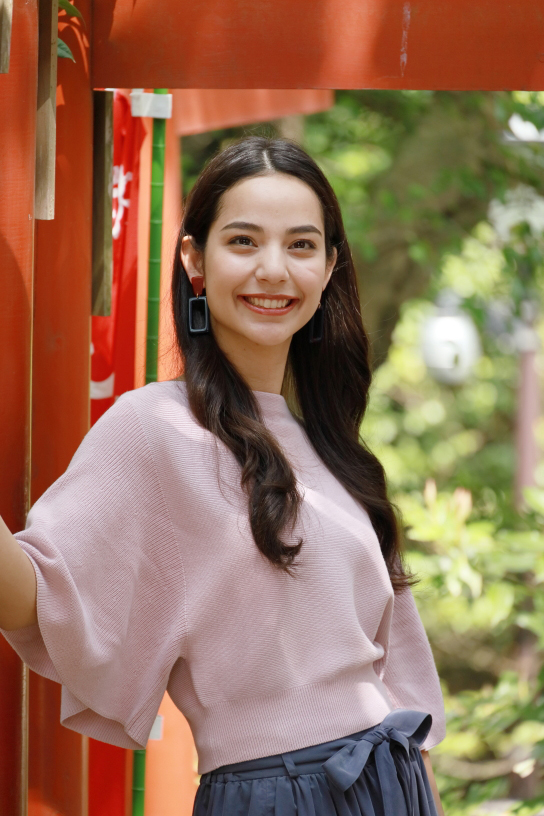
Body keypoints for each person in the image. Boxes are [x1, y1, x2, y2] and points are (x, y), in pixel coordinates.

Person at [0, 136, 446, 815]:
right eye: (243, 242)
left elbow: (398, 682)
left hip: (393, 782)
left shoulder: (333, 446)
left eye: (301, 246)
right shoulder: (154, 426)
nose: (274, 269)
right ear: (193, 260)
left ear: (329, 268)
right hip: (274, 796)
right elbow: (39, 596)